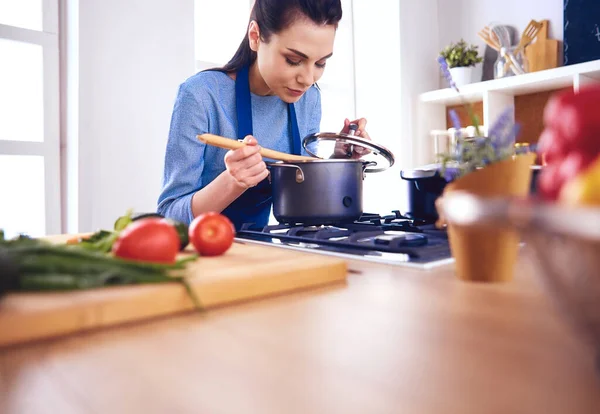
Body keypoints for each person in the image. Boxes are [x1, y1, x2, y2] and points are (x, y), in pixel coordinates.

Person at [157, 0, 370, 230]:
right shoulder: (201, 95)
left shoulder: (308, 99)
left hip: (267, 251)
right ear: (255, 36)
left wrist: (339, 161)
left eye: (320, 63)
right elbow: (170, 218)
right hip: (207, 256)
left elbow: (300, 196)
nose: (308, 79)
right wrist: (232, 182)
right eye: (294, 60)